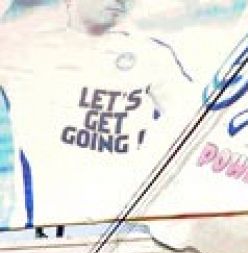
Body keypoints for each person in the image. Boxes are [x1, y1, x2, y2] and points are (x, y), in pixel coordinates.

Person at [0, 0, 194, 229]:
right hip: (44, 238)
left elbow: (203, 130)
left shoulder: (152, 56)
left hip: (128, 235)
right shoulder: (24, 52)